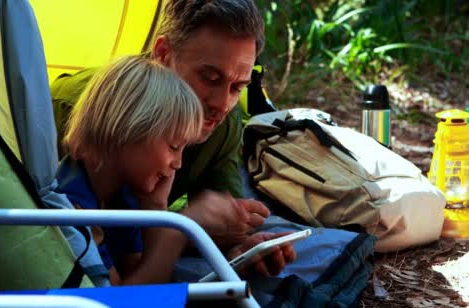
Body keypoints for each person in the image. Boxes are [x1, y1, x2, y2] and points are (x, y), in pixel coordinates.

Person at [56, 55, 295, 285]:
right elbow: (124, 305)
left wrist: (231, 263)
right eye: (173, 147)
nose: (178, 163)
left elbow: (143, 274)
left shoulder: (122, 194)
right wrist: (180, 230)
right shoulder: (74, 210)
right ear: (123, 133)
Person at [51, 0, 270, 250]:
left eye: (237, 87)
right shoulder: (76, 112)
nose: (222, 104)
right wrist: (184, 227)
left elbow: (221, 218)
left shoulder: (222, 124)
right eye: (209, 78)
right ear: (164, 53)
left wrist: (237, 246)